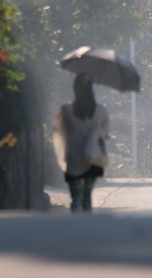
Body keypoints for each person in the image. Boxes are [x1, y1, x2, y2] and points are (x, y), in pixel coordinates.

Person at [52, 73, 111, 212]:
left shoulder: (66, 110)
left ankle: (76, 217)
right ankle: (87, 221)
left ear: (75, 89)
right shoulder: (101, 111)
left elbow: (58, 131)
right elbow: (107, 135)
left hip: (73, 157)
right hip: (93, 158)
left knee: (76, 195)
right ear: (92, 89)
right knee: (87, 194)